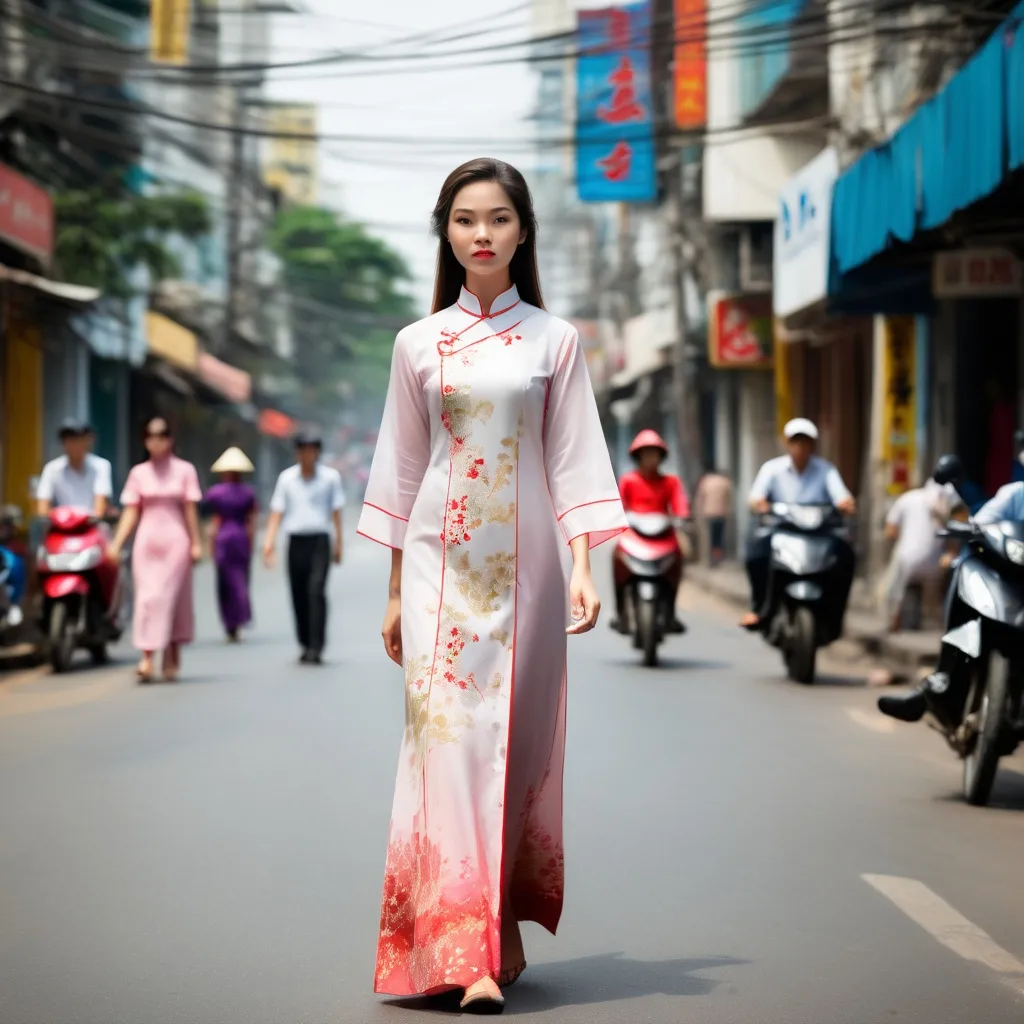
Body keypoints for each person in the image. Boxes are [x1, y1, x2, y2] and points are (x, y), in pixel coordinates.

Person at [357, 158, 626, 1010]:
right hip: (440, 567)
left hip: (533, 572)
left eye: (499, 219)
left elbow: (575, 455)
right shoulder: (416, 343)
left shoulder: (556, 340)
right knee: (449, 745)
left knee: (514, 743)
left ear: (523, 231)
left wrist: (586, 564)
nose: (482, 234)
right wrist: (396, 589)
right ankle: (459, 950)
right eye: (466, 219)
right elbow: (401, 471)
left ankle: (493, 925)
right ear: (446, 231)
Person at [880, 478, 1024, 724]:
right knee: (964, 571)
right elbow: (981, 523)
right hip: (1006, 580)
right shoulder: (1015, 494)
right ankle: (941, 680)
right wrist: (970, 529)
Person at [107, 417, 203, 683]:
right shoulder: (139, 473)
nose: (156, 440)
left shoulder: (185, 470)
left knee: (171, 598)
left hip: (175, 542)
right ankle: (147, 656)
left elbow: (190, 509)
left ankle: (171, 653)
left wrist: (196, 543)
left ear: (170, 439)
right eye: (151, 435)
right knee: (148, 599)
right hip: (147, 543)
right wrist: (117, 543)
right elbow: (130, 512)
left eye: (162, 435)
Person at [741, 418, 857, 630]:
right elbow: (756, 496)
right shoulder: (772, 469)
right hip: (781, 529)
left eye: (806, 442)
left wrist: (845, 504)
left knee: (845, 556)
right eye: (796, 442)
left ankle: (836, 616)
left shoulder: (826, 470)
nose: (801, 448)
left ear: (813, 445)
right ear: (787, 444)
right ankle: (758, 607)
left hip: (819, 532)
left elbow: (842, 497)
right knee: (756, 554)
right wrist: (761, 504)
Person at [262, 431, 344, 665]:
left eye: (312, 449)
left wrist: (339, 543)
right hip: (295, 542)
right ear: (297, 453)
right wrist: (269, 542)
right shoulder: (286, 479)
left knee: (316, 591)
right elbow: (277, 511)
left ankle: (317, 646)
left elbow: (336, 512)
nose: (307, 454)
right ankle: (304, 642)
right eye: (303, 450)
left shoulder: (330, 478)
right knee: (298, 593)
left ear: (317, 452)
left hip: (319, 540)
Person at [611, 429, 689, 633]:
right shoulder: (628, 480)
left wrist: (682, 516)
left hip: (663, 534)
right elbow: (619, 504)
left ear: (661, 457)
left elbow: (680, 504)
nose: (650, 458)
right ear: (638, 456)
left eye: (654, 454)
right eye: (645, 454)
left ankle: (671, 611)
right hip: (634, 534)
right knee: (616, 558)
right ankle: (620, 613)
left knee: (680, 556)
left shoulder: (670, 482)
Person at [883, 479, 959, 632]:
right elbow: (954, 542)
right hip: (935, 566)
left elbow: (890, 531)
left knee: (893, 585)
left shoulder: (908, 498)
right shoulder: (949, 506)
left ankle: (894, 619)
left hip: (906, 559)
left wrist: (904, 539)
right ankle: (940, 624)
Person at [205, 447, 257, 643]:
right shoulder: (248, 493)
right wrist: (252, 545)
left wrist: (210, 545)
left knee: (224, 584)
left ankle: (230, 624)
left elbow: (211, 522)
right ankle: (240, 619)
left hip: (222, 540)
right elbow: (251, 522)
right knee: (240, 581)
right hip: (241, 539)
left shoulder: (214, 493)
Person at [36, 420, 113, 518]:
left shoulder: (101, 465)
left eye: (79, 440)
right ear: (63, 443)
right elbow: (42, 508)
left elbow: (100, 506)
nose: (75, 445)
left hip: (91, 525)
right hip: (62, 525)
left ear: (89, 441)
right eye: (70, 440)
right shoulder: (51, 468)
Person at [695, 466, 733, 566]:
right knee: (719, 538)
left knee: (710, 538)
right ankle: (718, 558)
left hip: (709, 513)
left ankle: (711, 559)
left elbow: (700, 498)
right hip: (722, 513)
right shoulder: (725, 482)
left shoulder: (706, 482)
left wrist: (699, 511)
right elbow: (729, 498)